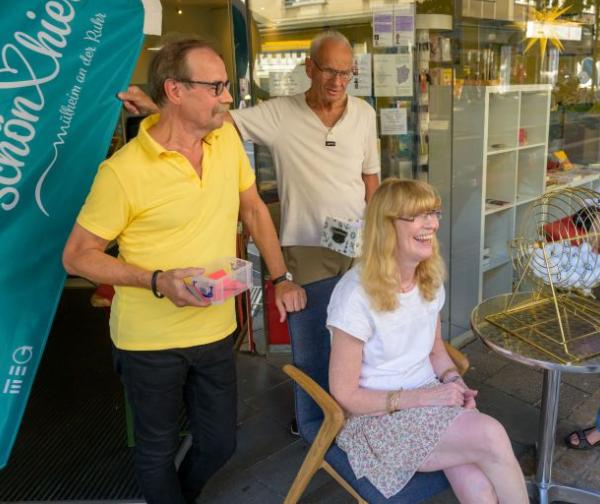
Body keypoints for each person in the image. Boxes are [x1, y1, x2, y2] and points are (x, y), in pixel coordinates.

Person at [62, 38, 306, 504]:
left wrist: (280, 277)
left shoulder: (225, 140)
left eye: (226, 86)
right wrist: (157, 280)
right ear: (175, 90)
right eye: (216, 87)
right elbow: (77, 256)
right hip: (149, 342)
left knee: (220, 443)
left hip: (216, 329)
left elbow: (252, 210)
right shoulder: (123, 172)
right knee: (157, 450)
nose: (228, 98)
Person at [119, 31, 380, 287]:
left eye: (345, 73)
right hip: (307, 244)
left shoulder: (364, 114)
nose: (338, 81)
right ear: (310, 68)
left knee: (359, 321)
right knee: (315, 323)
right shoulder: (281, 113)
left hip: (358, 241)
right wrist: (156, 107)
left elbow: (370, 178)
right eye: (329, 71)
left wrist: (378, 231)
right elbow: (215, 121)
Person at [327, 178, 528, 503]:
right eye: (418, 216)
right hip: (378, 418)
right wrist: (422, 398)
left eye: (434, 213)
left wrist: (455, 383)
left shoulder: (428, 280)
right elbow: (345, 394)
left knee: (479, 485)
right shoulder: (354, 296)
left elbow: (436, 352)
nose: (432, 223)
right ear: (386, 227)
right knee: (491, 437)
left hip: (433, 399)